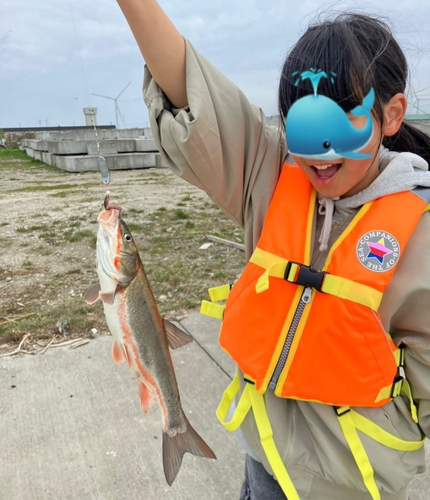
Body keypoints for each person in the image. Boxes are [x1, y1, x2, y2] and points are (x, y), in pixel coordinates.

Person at [116, 2, 430, 499]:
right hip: (265, 463)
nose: (317, 153)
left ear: (390, 115)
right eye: (300, 123)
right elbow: (192, 94)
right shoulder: (269, 174)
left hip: (354, 485)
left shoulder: (420, 231)